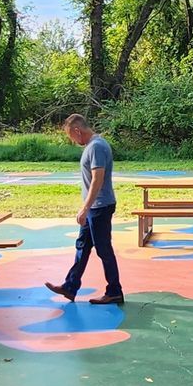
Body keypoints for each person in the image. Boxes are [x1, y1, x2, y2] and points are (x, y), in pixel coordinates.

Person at [45, 113, 125, 305]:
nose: (72, 141)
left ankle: (114, 291)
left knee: (103, 249)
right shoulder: (93, 146)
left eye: (70, 136)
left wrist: (85, 207)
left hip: (100, 207)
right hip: (93, 208)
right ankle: (70, 287)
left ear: (77, 131)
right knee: (82, 247)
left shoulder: (96, 147)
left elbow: (98, 179)